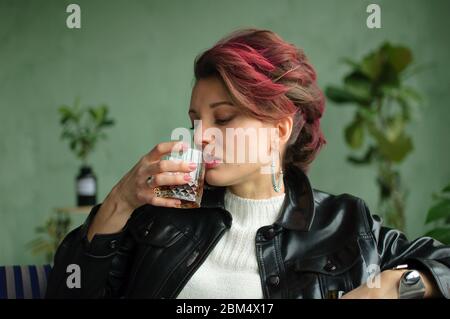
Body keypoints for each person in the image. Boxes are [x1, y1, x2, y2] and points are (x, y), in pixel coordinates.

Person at [46, 28, 450, 299]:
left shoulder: (346, 223)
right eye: (194, 121)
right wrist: (120, 201)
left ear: (280, 127)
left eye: (222, 118)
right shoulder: (161, 216)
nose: (200, 135)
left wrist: (394, 286)